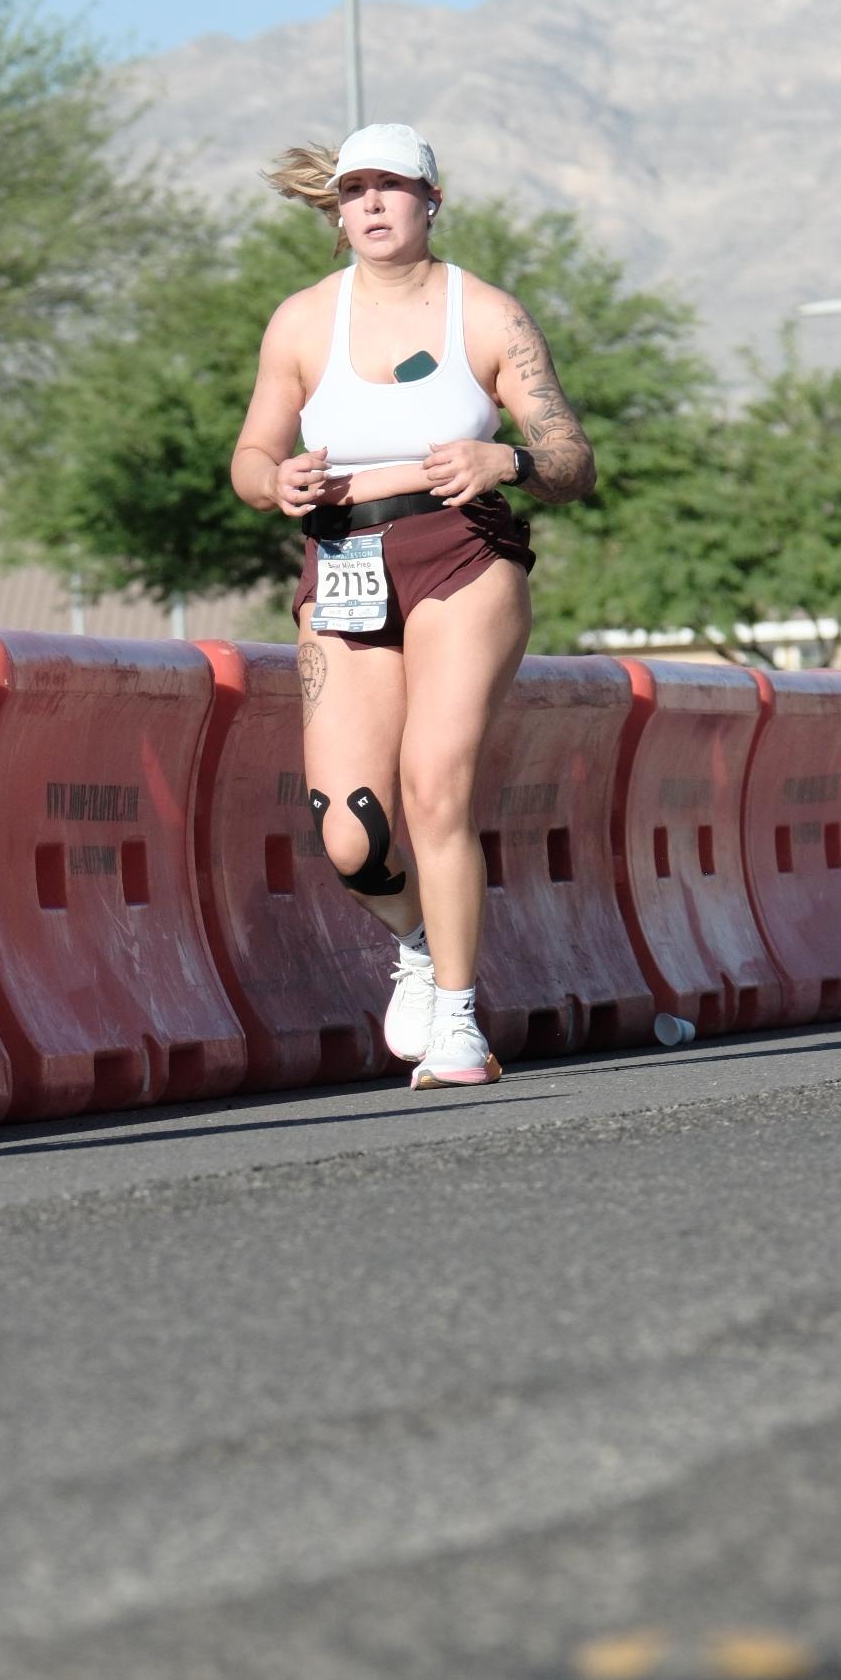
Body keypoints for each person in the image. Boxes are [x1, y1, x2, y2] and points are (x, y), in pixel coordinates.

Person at [229, 122, 596, 1086]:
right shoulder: (303, 321)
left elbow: (572, 459)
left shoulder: (489, 315)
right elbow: (251, 456)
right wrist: (275, 483)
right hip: (342, 558)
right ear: (337, 209)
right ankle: (421, 946)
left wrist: (505, 459)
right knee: (350, 833)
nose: (374, 205)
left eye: (392, 187)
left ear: (432, 200)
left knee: (436, 785)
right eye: (355, 191)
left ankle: (462, 1021)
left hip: (459, 553)